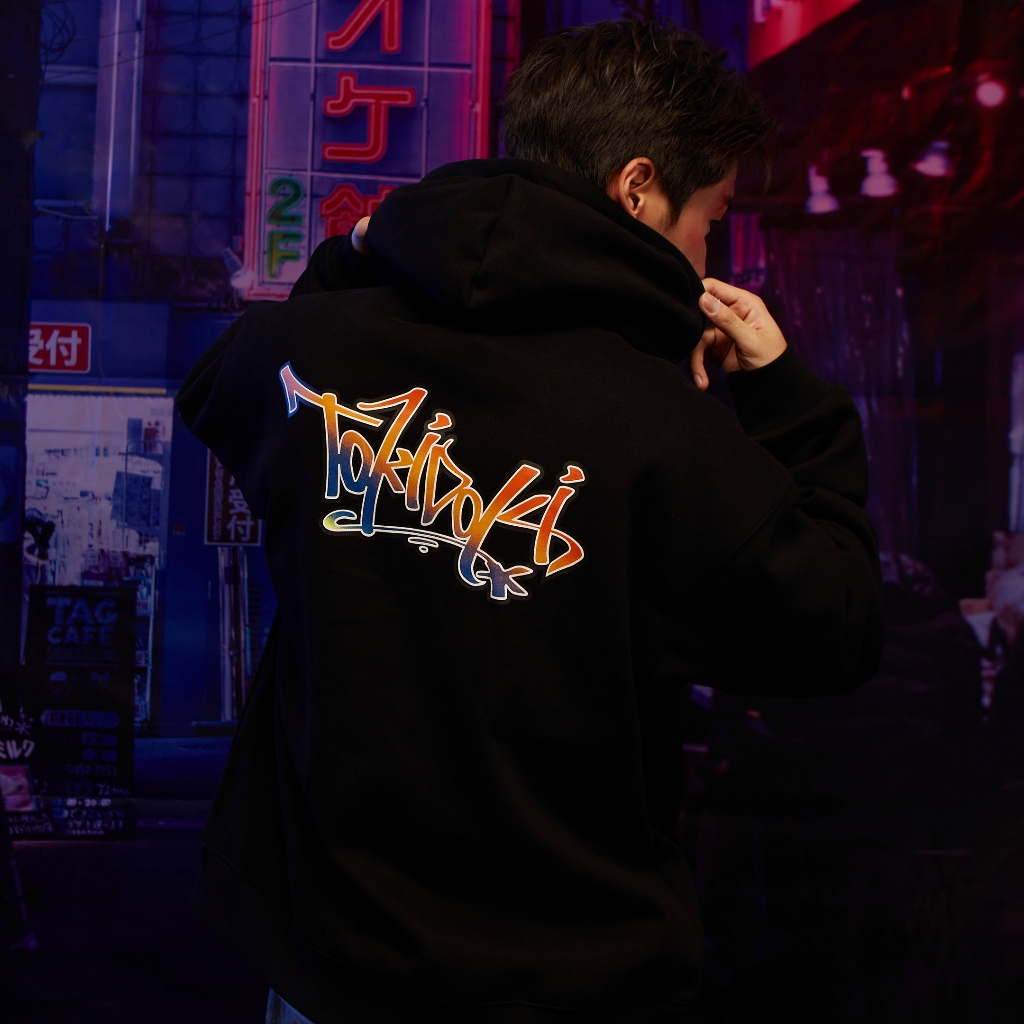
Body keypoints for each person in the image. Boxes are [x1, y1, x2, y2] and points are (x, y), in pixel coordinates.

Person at [178, 19, 884, 1024]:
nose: (708, 252)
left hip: (329, 966)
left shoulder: (312, 351)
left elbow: (217, 381)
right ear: (637, 189)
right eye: (711, 218)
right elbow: (835, 621)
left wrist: (364, 247)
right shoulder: (661, 423)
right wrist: (786, 394)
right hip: (572, 976)